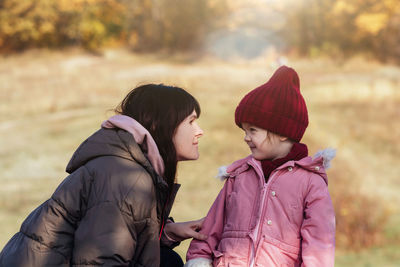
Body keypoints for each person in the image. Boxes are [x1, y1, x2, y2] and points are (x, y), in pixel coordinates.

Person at [0, 84, 207, 266]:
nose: (199, 131)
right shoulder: (125, 178)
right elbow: (99, 260)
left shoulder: (128, 167)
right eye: (191, 121)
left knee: (167, 260)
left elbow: (119, 238)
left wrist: (167, 232)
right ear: (160, 125)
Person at [185, 66, 336, 267]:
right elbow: (213, 225)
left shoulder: (311, 182)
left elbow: (319, 242)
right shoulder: (239, 176)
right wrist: (199, 258)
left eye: (252, 130)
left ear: (282, 132)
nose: (246, 137)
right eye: (244, 130)